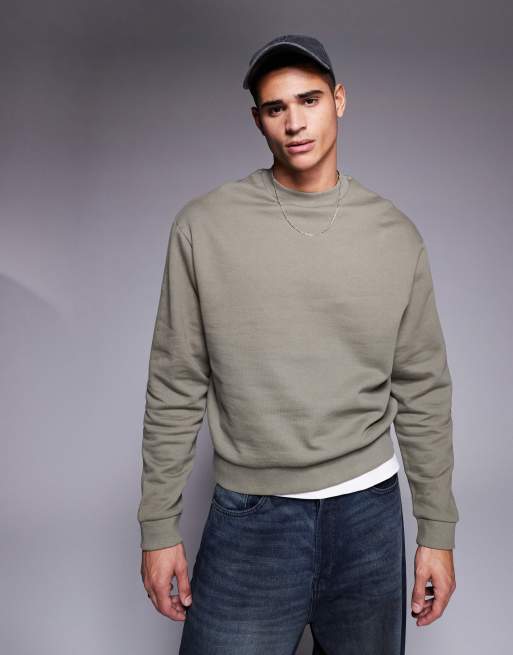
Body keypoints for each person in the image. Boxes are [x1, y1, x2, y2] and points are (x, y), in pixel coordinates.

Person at [138, 34, 458, 654]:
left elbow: (423, 389)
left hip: (368, 516)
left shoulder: (394, 235)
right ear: (257, 119)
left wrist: (437, 531)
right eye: (275, 108)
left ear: (339, 100)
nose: (294, 123)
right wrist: (158, 527)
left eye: (309, 100)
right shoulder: (205, 226)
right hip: (251, 518)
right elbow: (176, 381)